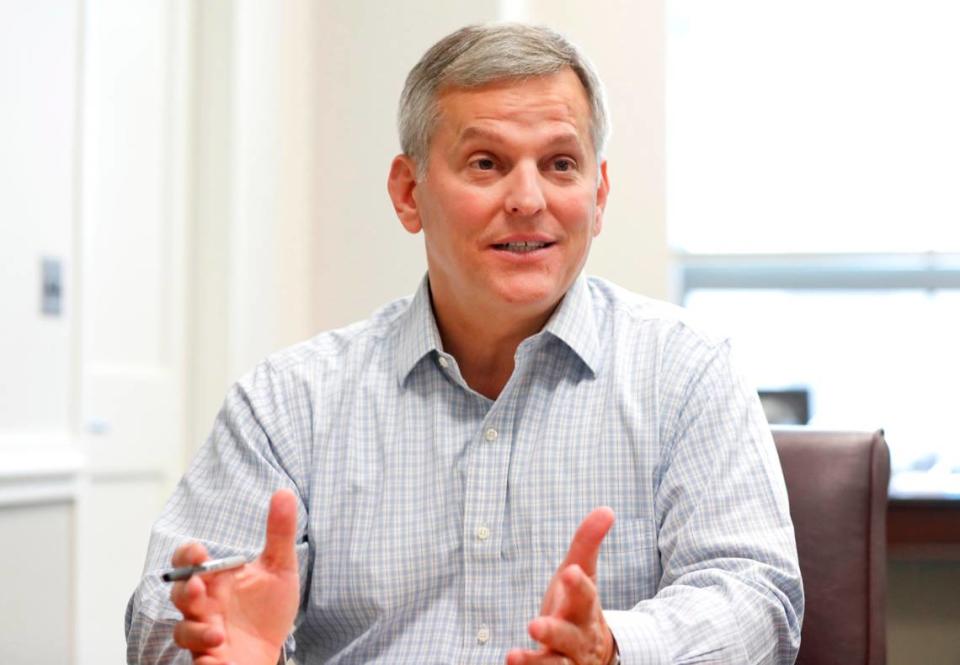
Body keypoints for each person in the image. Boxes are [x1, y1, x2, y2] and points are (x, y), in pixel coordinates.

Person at [126, 23, 803, 665]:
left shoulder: (687, 371)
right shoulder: (287, 401)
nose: (529, 198)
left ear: (598, 194)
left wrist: (615, 646)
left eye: (561, 164)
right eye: (486, 163)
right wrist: (224, 647)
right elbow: (172, 612)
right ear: (408, 192)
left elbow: (757, 594)